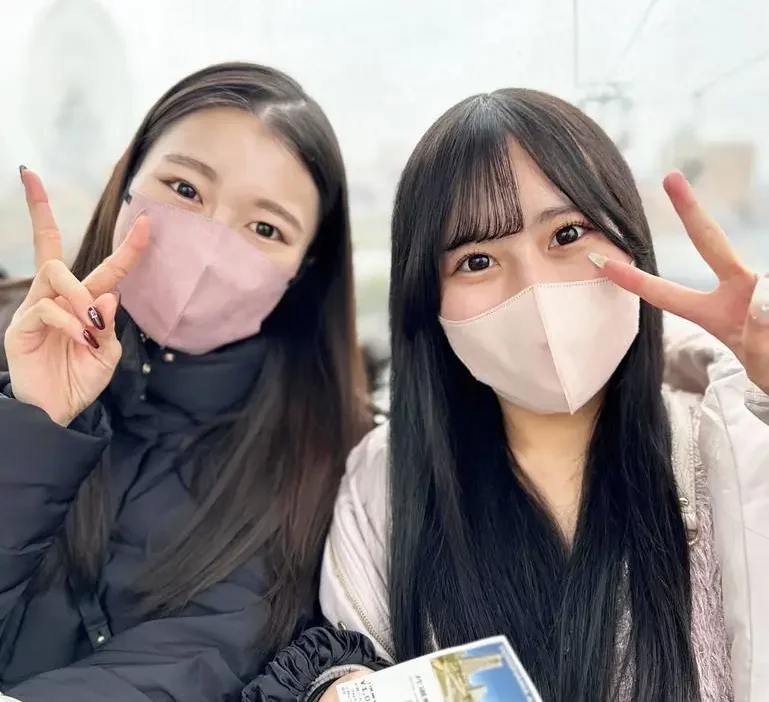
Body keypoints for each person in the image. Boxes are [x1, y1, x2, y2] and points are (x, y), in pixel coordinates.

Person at [245, 89, 769, 702]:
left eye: (567, 233)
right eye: (476, 261)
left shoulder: (739, 444)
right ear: (427, 302)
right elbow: (356, 661)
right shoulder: (383, 484)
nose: (534, 288)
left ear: (632, 241)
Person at [0, 62, 374, 701]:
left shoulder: (325, 461)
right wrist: (34, 424)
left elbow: (189, 668)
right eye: (185, 188)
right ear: (128, 179)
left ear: (304, 268)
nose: (210, 243)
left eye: (265, 228)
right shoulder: (17, 341)